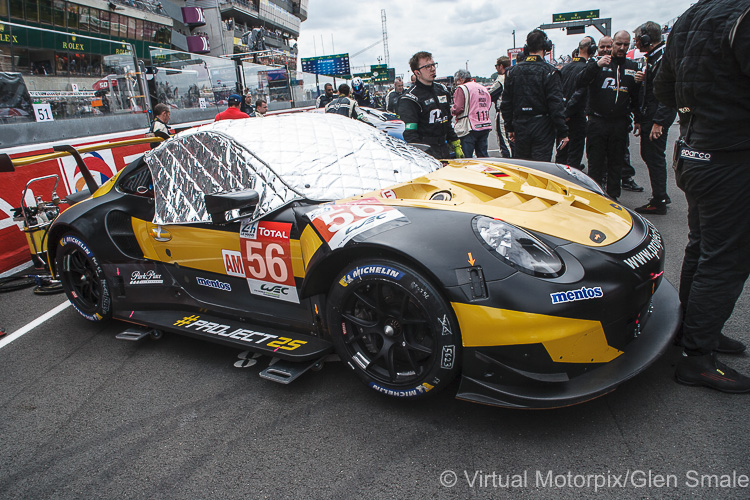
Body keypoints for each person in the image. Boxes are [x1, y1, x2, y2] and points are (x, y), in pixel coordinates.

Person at [654, 0, 750, 392]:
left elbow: (661, 85)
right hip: (731, 155)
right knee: (725, 257)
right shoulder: (742, 15)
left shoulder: (690, 16)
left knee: (703, 246)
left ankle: (692, 331)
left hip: (695, 151)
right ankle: (698, 354)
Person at [576, 30, 641, 200]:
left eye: (626, 45)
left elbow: (637, 97)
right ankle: (595, 199)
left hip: (619, 123)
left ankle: (614, 198)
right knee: (595, 163)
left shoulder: (632, 67)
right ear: (612, 44)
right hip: (597, 121)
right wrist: (595, 66)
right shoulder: (598, 64)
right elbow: (580, 82)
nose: (622, 47)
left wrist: (639, 119)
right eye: (618, 44)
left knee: (616, 163)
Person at [500, 30, 568, 161]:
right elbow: (556, 104)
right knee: (540, 170)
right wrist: (563, 132)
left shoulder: (512, 72)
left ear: (526, 48)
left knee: (523, 168)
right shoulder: (551, 72)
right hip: (543, 126)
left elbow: (506, 104)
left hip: (520, 125)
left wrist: (510, 128)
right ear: (546, 47)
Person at [632, 21, 677, 215]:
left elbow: (668, 92)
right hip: (651, 116)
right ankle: (660, 196)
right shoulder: (655, 58)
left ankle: (659, 199)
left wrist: (659, 122)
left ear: (646, 38)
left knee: (654, 156)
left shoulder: (662, 59)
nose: (636, 44)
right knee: (650, 155)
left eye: (636, 40)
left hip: (656, 117)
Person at [398, 51, 463, 159]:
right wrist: (421, 156)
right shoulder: (410, 98)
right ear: (417, 72)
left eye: (433, 65)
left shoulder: (442, 90)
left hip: (444, 148)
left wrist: (455, 142)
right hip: (426, 152)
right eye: (427, 66)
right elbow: (410, 135)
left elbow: (447, 122)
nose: (433, 69)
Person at [556, 36, 596, 170]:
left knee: (561, 154)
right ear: (592, 49)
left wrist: (562, 114)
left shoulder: (565, 69)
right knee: (574, 157)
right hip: (576, 117)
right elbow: (580, 94)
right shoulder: (587, 70)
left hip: (562, 117)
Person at [451, 69, 492, 157]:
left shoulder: (462, 88)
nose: (456, 84)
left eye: (456, 82)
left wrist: (451, 110)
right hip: (484, 124)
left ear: (461, 79)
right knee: (483, 156)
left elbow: (458, 108)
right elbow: (488, 104)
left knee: (466, 157)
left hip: (469, 127)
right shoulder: (482, 88)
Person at [488, 56, 512, 158]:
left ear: (501, 66)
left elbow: (489, 94)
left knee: (504, 140)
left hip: (502, 113)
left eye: (496, 66)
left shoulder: (501, 80)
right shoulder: (513, 76)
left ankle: (509, 160)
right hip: (513, 112)